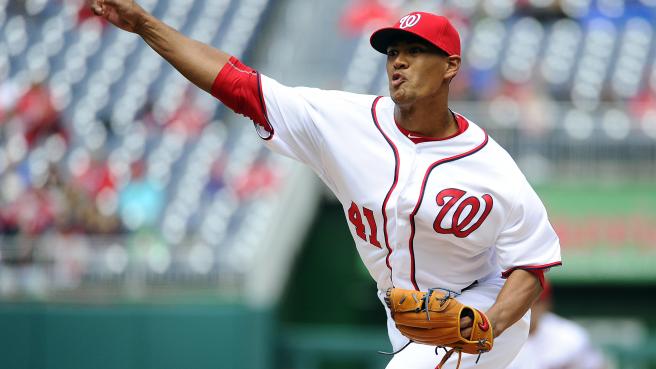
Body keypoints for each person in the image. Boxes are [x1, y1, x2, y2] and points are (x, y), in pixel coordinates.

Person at [90, 2, 562, 368]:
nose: (399, 62)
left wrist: (484, 326)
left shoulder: (492, 168)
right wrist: (144, 23)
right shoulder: (345, 122)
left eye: (415, 52)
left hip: (481, 302)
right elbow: (239, 85)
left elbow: (532, 265)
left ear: (450, 66)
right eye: (393, 52)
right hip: (406, 318)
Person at [506, 281, 608, 369]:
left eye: (534, 302)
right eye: (521, 301)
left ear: (546, 304)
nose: (527, 308)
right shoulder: (497, 336)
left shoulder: (570, 337)